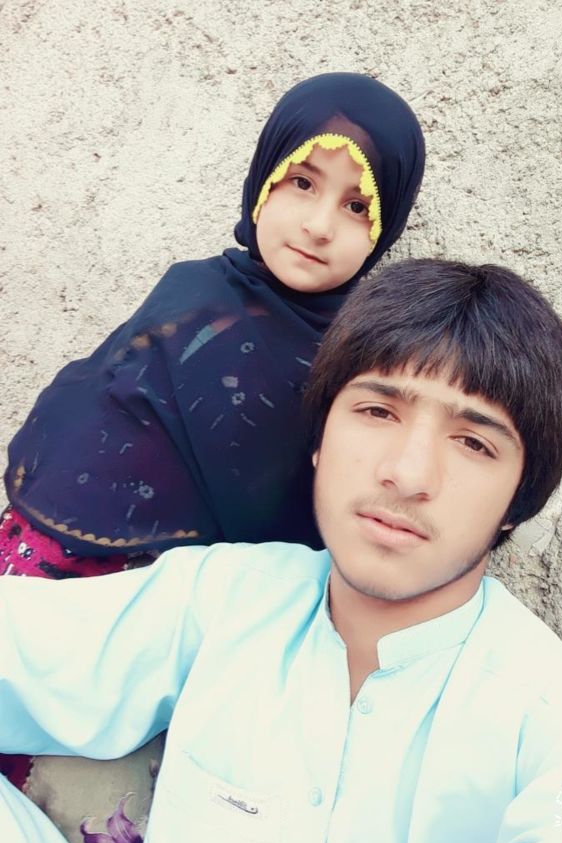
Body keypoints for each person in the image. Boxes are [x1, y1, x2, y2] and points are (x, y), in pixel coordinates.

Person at [1, 258, 562, 843]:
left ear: (520, 500)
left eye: (473, 443)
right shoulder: (222, 600)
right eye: (377, 410)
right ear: (318, 441)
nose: (407, 473)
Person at [0, 70, 425, 582]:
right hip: (66, 573)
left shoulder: (359, 359)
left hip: (217, 604)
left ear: (385, 227)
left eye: (357, 206)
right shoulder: (190, 298)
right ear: (264, 181)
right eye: (302, 182)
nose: (319, 226)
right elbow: (89, 429)